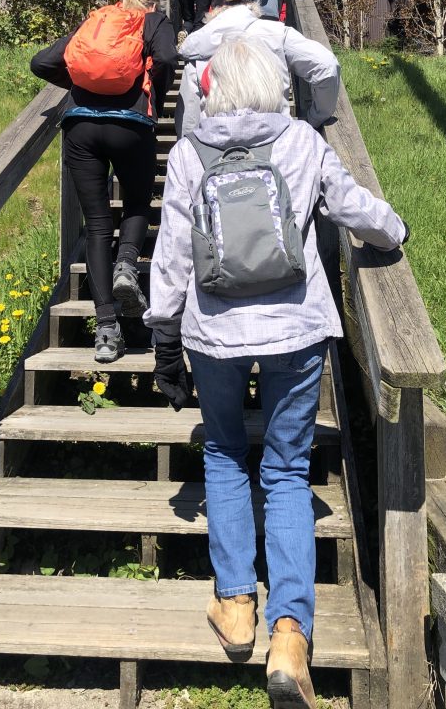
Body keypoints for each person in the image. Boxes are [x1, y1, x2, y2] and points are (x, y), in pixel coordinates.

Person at [145, 38, 408, 709]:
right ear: (272, 85)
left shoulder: (187, 152)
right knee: (287, 469)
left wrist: (163, 333)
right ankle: (290, 635)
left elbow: (173, 250)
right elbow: (353, 208)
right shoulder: (301, 141)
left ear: (210, 90)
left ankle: (235, 606)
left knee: (228, 454)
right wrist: (394, 230)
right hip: (295, 327)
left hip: (215, 331)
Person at [30, 0, 177, 363]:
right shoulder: (154, 21)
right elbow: (166, 57)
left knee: (97, 225)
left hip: (80, 126)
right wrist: (150, 94)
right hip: (131, 125)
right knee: (137, 205)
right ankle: (126, 265)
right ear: (151, 5)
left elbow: (41, 62)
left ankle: (107, 333)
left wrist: (82, 84)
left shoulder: (96, 23)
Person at [176, 0, 340, 136]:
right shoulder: (278, 33)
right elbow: (326, 66)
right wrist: (315, 118)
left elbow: (189, 116)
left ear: (212, 11)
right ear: (252, 6)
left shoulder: (197, 46)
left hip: (217, 146)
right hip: (275, 140)